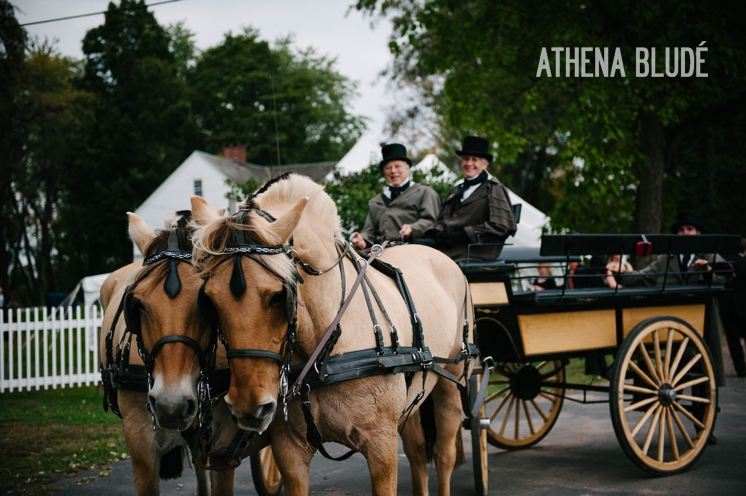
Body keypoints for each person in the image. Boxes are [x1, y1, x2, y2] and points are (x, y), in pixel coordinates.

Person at [425, 136, 517, 261]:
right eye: (466, 159)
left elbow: (501, 226)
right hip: (448, 249)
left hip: (475, 252)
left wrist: (463, 235)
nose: (469, 163)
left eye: (475, 159)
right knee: (415, 248)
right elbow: (441, 220)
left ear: (485, 164)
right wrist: (437, 232)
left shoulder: (493, 189)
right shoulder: (456, 191)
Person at [351, 143, 441, 250]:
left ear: (408, 168)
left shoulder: (425, 193)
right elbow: (369, 231)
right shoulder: (376, 202)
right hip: (382, 255)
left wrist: (413, 229)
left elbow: (432, 221)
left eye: (397, 166)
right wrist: (362, 240)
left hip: (416, 252)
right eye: (388, 168)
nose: (393, 171)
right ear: (384, 172)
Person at [606, 210, 729, 287]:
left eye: (689, 229)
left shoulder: (708, 255)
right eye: (681, 230)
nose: (685, 233)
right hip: (672, 314)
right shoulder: (666, 258)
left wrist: (707, 270)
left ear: (698, 233)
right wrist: (622, 271)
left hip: (702, 314)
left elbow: (726, 275)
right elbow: (643, 277)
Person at [719, 238, 746, 378]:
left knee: (733, 339)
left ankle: (740, 370)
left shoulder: (725, 263)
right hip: (744, 305)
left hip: (727, 305)